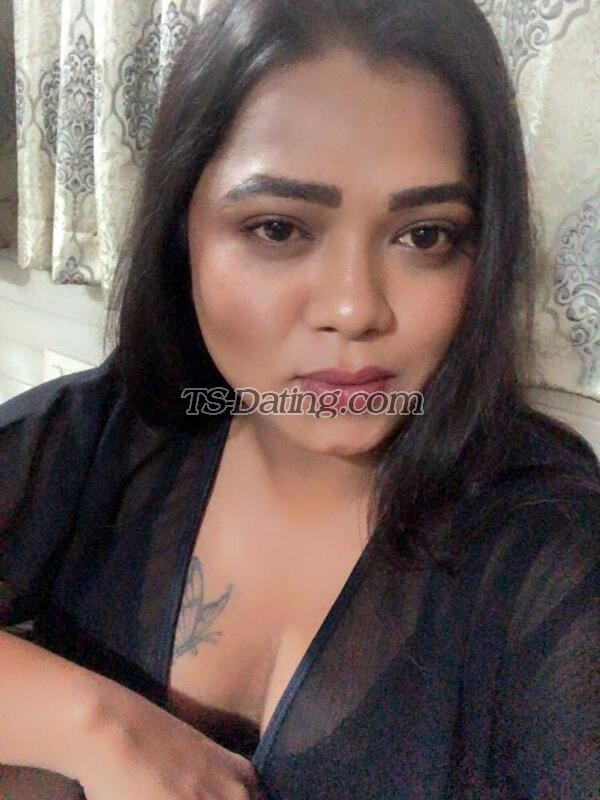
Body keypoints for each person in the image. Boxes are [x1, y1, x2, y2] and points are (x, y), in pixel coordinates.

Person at [0, 0, 598, 798]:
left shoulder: (551, 555)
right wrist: (98, 724)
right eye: (279, 229)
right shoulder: (117, 432)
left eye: (425, 236)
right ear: (182, 230)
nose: (354, 308)